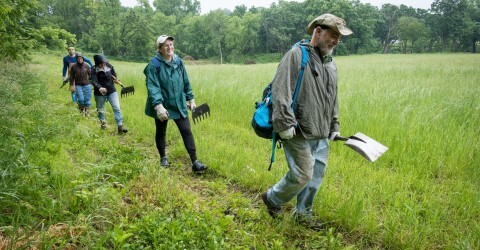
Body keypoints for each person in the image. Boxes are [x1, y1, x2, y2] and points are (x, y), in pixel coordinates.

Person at [260, 13, 353, 230]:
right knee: (303, 174)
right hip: (298, 130)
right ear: (318, 32)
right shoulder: (296, 55)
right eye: (334, 35)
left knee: (315, 178)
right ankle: (272, 198)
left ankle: (302, 214)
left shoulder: (330, 63)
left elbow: (333, 97)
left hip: (321, 132)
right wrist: (283, 125)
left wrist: (335, 125)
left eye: (340, 38)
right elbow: (280, 90)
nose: (337, 41)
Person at [143, 35, 207, 174]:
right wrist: (158, 106)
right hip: (162, 105)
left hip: (178, 103)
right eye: (166, 45)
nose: (169, 47)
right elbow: (153, 87)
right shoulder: (154, 65)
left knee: (186, 131)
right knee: (161, 131)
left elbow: (185, 81)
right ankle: (163, 158)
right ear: (159, 48)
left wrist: (191, 99)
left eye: (171, 44)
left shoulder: (178, 62)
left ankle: (195, 161)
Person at [90, 54, 128, 134]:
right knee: (100, 110)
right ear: (97, 63)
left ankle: (120, 127)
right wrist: (99, 88)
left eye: (104, 63)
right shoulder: (93, 69)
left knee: (116, 107)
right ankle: (103, 124)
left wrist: (115, 79)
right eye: (101, 63)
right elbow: (93, 81)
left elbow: (114, 75)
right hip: (99, 92)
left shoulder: (109, 66)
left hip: (111, 90)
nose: (103, 65)